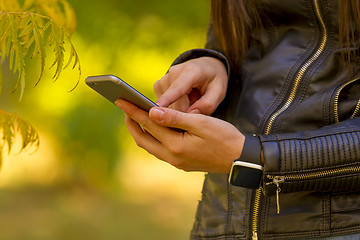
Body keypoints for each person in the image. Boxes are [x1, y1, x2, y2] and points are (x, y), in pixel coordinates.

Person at [116, 0, 360, 239]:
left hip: (342, 225)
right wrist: (213, 62)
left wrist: (255, 157)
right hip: (222, 220)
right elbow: (233, 37)